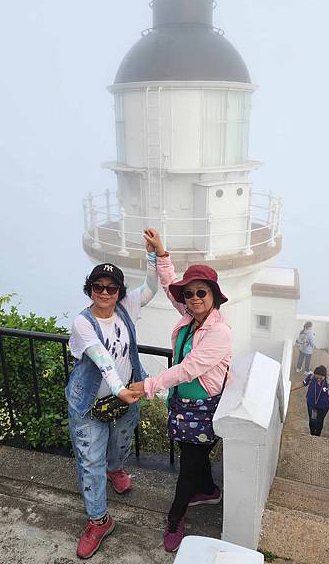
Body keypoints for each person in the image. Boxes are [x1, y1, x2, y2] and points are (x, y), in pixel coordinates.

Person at [130, 228, 231, 553]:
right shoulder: (191, 317)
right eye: (189, 294)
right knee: (195, 456)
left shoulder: (219, 334)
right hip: (184, 403)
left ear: (213, 295)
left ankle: (176, 518)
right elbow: (170, 285)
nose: (194, 298)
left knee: (188, 466)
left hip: (202, 408)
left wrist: (147, 386)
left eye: (201, 292)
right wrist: (161, 253)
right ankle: (210, 491)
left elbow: (188, 369)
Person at [65, 236, 157, 559]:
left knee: (120, 443)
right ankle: (99, 520)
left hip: (124, 396)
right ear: (89, 289)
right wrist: (121, 389)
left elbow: (151, 287)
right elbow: (100, 357)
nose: (105, 293)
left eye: (111, 288)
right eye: (98, 287)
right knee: (90, 461)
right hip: (90, 404)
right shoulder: (82, 322)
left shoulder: (126, 308)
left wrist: (153, 255)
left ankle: (115, 469)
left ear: (119, 291)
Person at [291, 365, 329, 436]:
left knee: (320, 421)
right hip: (312, 405)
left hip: (323, 407)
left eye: (321, 377)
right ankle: (312, 434)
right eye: (317, 377)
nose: (318, 379)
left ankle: (317, 435)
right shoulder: (311, 378)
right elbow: (303, 383)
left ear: (324, 376)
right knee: (313, 420)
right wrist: (291, 389)